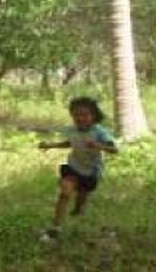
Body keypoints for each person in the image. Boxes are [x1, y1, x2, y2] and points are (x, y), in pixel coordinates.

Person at [38, 97, 118, 240]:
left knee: (82, 194)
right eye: (76, 115)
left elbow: (114, 149)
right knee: (65, 192)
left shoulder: (99, 132)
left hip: (91, 171)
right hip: (73, 167)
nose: (80, 118)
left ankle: (79, 208)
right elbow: (70, 142)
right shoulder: (72, 130)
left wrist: (97, 145)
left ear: (93, 116)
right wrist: (51, 145)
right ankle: (55, 228)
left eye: (85, 115)